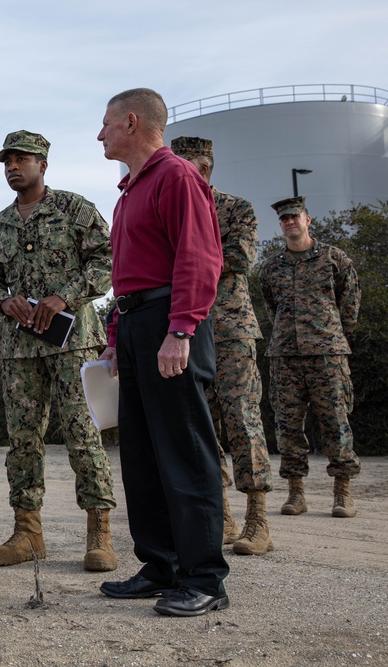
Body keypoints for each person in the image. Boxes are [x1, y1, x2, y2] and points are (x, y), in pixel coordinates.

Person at [96, 88, 229, 616]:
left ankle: (204, 578)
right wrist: (113, 336)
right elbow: (127, 278)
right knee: (143, 455)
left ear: (131, 122)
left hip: (169, 323)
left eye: (105, 123)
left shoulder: (176, 176)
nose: (99, 134)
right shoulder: (129, 191)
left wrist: (181, 330)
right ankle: (160, 565)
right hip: (134, 324)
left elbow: (199, 257)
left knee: (184, 451)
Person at [0, 131, 117, 572]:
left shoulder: (75, 209)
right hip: (20, 349)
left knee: (82, 435)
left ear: (43, 164)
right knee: (22, 440)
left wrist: (64, 296)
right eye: (7, 161)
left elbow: (108, 261)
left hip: (73, 341)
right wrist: (3, 301)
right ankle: (27, 532)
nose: (13, 167)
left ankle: (99, 532)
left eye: (22, 159)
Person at [170, 136, 273, 556]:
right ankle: (223, 515)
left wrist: (185, 256)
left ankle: (258, 519)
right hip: (183, 331)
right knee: (201, 425)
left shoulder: (235, 208)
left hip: (229, 328)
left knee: (243, 420)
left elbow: (239, 257)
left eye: (187, 165)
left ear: (205, 169)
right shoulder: (170, 210)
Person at [259, 196, 361, 518]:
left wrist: (331, 334)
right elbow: (271, 308)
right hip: (285, 356)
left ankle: (342, 494)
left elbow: (350, 304)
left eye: (294, 216)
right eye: (284, 219)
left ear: (308, 220)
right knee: (287, 425)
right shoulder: (271, 268)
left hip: (327, 355)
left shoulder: (335, 259)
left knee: (335, 421)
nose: (290, 222)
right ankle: (295, 494)